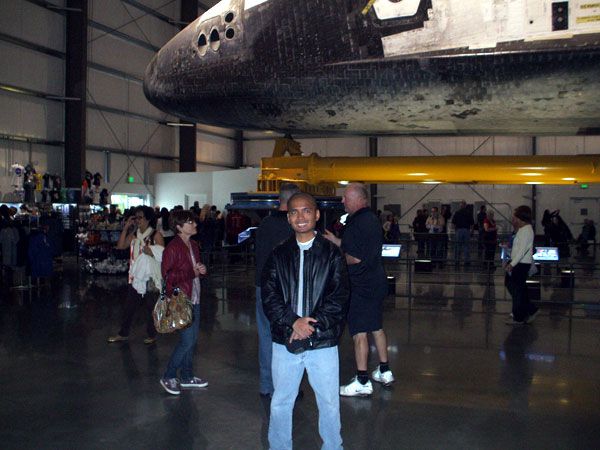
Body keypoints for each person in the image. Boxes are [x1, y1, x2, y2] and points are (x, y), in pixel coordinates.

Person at [262, 192, 349, 450]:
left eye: (306, 211)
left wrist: (310, 325)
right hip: (286, 340)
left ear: (317, 214)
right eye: (294, 212)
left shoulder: (332, 254)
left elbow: (339, 298)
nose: (301, 217)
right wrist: (292, 322)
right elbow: (269, 296)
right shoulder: (278, 254)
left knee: (329, 402)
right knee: (281, 401)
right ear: (288, 217)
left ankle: (333, 446)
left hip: (322, 342)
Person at [324, 183, 395, 397]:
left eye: (346, 197)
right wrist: (336, 241)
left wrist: (333, 260)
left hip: (361, 286)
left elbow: (354, 257)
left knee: (359, 333)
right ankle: (385, 370)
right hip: (376, 282)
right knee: (376, 327)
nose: (343, 201)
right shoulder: (371, 219)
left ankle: (362, 380)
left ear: (357, 199)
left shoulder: (356, 224)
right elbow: (359, 248)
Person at [254, 183, 300, 397]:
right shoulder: (295, 227)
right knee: (289, 334)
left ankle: (267, 384)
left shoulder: (264, 224)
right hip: (286, 290)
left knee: (265, 336)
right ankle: (287, 386)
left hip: (262, 287)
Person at [159, 210, 208, 395]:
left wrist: (202, 269)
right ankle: (169, 375)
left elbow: (193, 270)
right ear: (179, 227)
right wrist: (192, 273)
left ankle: (187, 376)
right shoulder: (173, 248)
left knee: (192, 340)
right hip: (181, 299)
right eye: (190, 222)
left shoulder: (193, 245)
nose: (194, 224)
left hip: (194, 296)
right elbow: (167, 276)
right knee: (187, 341)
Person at [108, 206, 164, 344]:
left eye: (140, 217)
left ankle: (152, 335)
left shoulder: (155, 235)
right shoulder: (134, 235)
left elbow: (163, 254)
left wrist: (150, 251)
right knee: (129, 306)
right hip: (137, 277)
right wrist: (126, 227)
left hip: (151, 276)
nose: (137, 220)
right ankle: (123, 333)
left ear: (148, 218)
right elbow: (121, 246)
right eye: (136, 217)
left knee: (151, 307)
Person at [504, 205, 539, 326]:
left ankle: (519, 316)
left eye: (516, 216)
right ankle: (529, 309)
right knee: (518, 289)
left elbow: (523, 250)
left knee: (518, 290)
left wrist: (512, 264)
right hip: (518, 262)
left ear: (521, 217)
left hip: (521, 264)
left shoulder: (527, 230)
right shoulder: (523, 229)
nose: (514, 219)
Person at [451, 201, 474, 265]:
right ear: (465, 205)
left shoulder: (457, 213)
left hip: (459, 230)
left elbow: (453, 223)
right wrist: (471, 231)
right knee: (466, 246)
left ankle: (457, 260)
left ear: (460, 206)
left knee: (458, 246)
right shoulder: (469, 213)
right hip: (466, 230)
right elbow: (472, 223)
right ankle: (466, 261)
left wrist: (455, 230)